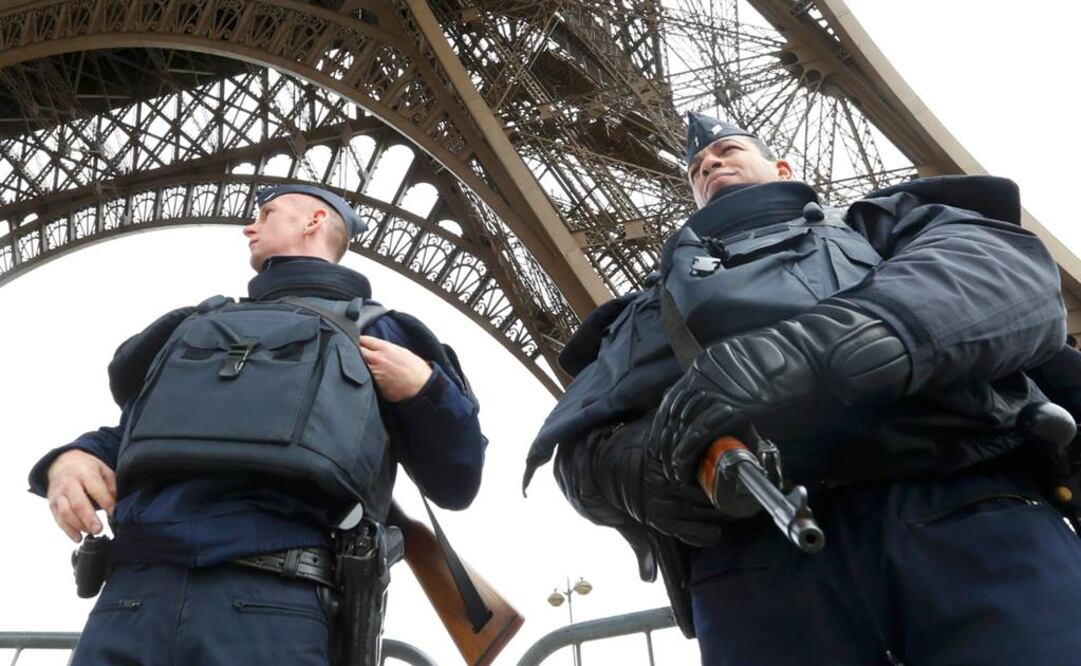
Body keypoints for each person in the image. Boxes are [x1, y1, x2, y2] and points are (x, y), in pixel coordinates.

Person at [525, 112, 1081, 665]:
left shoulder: (875, 223)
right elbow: (581, 449)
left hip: (963, 503)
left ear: (782, 166)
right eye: (696, 167)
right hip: (757, 558)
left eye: (729, 150)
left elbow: (1007, 279)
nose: (709, 162)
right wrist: (651, 467)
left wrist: (813, 354)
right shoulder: (643, 311)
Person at [28, 184, 487, 665]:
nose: (249, 225)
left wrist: (424, 388)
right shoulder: (201, 323)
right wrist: (75, 456)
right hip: (181, 598)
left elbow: (456, 482)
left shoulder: (381, 334)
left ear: (313, 221)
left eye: (267, 213)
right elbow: (138, 433)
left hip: (214, 600)